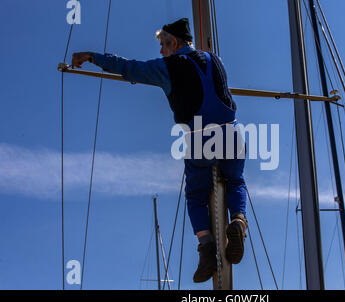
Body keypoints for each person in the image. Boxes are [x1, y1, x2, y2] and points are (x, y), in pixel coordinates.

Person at [71, 18, 248, 283]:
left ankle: (207, 247)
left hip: (200, 137)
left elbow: (129, 68)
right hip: (232, 131)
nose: (161, 52)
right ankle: (238, 223)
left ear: (173, 42)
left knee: (196, 195)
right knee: (235, 180)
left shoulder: (169, 66)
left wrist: (93, 57)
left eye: (163, 46)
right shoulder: (216, 60)